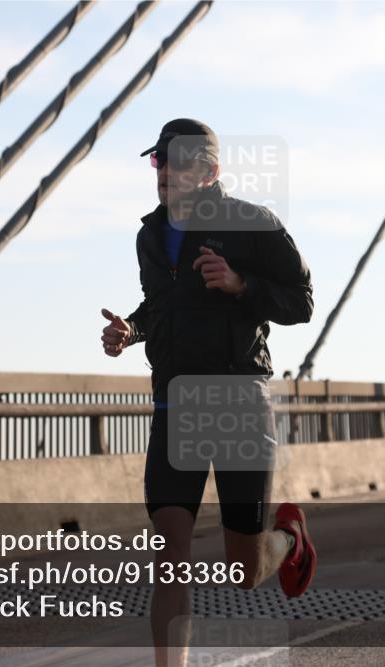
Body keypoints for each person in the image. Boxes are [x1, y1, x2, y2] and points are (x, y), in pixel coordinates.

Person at [100, 118, 316, 666]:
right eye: (159, 160)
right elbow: (162, 305)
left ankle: (288, 539)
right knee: (169, 554)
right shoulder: (150, 235)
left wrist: (242, 286)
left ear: (210, 170)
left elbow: (302, 300)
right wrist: (132, 328)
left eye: (176, 161)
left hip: (239, 405)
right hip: (176, 408)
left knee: (245, 572)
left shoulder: (251, 224)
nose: (165, 172)